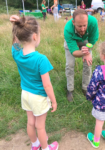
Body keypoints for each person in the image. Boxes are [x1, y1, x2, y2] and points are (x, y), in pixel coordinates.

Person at [10, 15, 59, 150]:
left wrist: (16, 26)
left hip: (25, 94)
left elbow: (15, 42)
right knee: (40, 126)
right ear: (35, 37)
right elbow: (47, 85)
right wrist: (54, 101)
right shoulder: (41, 59)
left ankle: (35, 144)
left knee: (31, 123)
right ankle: (45, 148)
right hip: (38, 97)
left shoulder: (17, 53)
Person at [64, 9, 99, 102]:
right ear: (73, 22)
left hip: (86, 41)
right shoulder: (68, 29)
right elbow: (74, 52)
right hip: (72, 41)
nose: (83, 29)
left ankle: (86, 88)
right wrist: (83, 53)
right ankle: (70, 89)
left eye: (84, 25)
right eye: (79, 26)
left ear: (87, 21)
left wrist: (87, 52)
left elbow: (92, 41)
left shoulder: (93, 22)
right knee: (70, 65)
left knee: (88, 63)